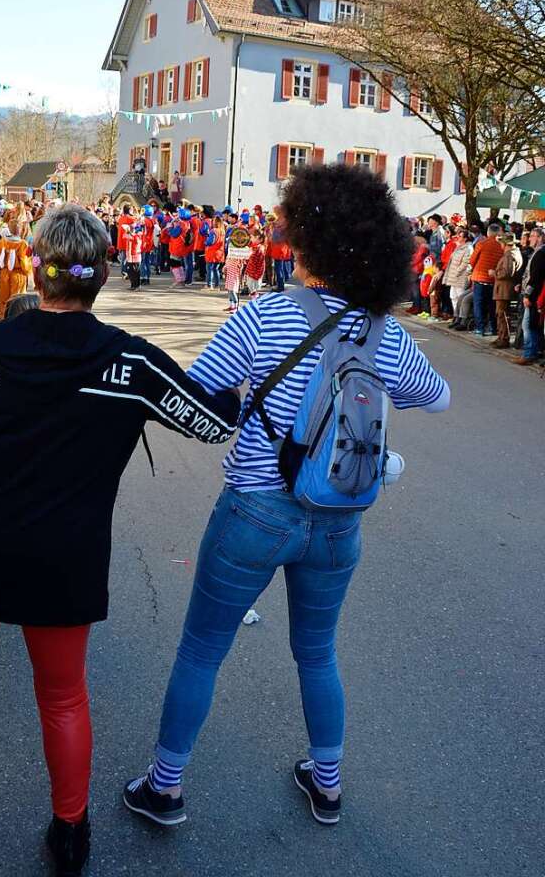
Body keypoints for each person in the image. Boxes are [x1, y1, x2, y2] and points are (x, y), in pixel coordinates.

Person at [0, 204, 240, 877]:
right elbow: (213, 425)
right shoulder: (130, 361)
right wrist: (254, 382)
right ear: (101, 274)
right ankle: (70, 835)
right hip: (65, 556)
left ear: (37, 272)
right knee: (64, 697)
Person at [124, 163, 449, 831]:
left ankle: (166, 787)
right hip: (336, 519)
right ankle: (326, 783)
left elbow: (197, 398)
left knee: (201, 651)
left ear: (307, 241)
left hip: (253, 507)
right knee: (318, 653)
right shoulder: (382, 332)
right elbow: (438, 397)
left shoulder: (263, 316)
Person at [515, 225, 545, 365]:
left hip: (534, 296)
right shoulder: (537, 252)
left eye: (533, 236)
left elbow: (536, 278)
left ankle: (529, 353)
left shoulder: (540, 253)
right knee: (533, 324)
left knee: (528, 325)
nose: (530, 239)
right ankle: (536, 350)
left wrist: (528, 296)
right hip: (534, 294)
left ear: (539, 238)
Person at [470, 222, 504, 336]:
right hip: (494, 279)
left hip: (479, 277)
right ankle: (494, 328)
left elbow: (472, 260)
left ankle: (480, 328)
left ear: (489, 232)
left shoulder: (482, 243)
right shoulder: (502, 245)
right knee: (492, 305)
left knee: (478, 304)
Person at [0, 214, 32, 319]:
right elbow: (24, 263)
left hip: (4, 273)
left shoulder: (2, 242)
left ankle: (3, 319)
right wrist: (28, 270)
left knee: (3, 299)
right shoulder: (22, 244)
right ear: (20, 230)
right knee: (16, 300)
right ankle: (16, 320)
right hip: (18, 275)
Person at [491, 234, 522, 349]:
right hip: (505, 289)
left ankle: (503, 339)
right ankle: (501, 337)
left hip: (504, 289)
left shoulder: (510, 255)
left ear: (505, 244)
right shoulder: (514, 253)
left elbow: (507, 272)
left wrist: (494, 273)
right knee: (502, 314)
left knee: (502, 314)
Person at [444, 229, 473, 327]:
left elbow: (466, 263)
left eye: (460, 236)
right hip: (453, 276)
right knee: (453, 296)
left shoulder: (468, 248)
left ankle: (461, 318)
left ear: (465, 238)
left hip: (461, 276)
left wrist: (457, 271)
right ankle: (455, 316)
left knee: (460, 296)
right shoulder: (458, 247)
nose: (458, 237)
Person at [204, 217, 225, 290]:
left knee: (209, 269)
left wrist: (205, 242)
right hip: (219, 253)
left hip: (212, 253)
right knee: (216, 269)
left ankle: (209, 285)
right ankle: (217, 285)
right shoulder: (222, 231)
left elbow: (210, 242)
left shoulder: (213, 231)